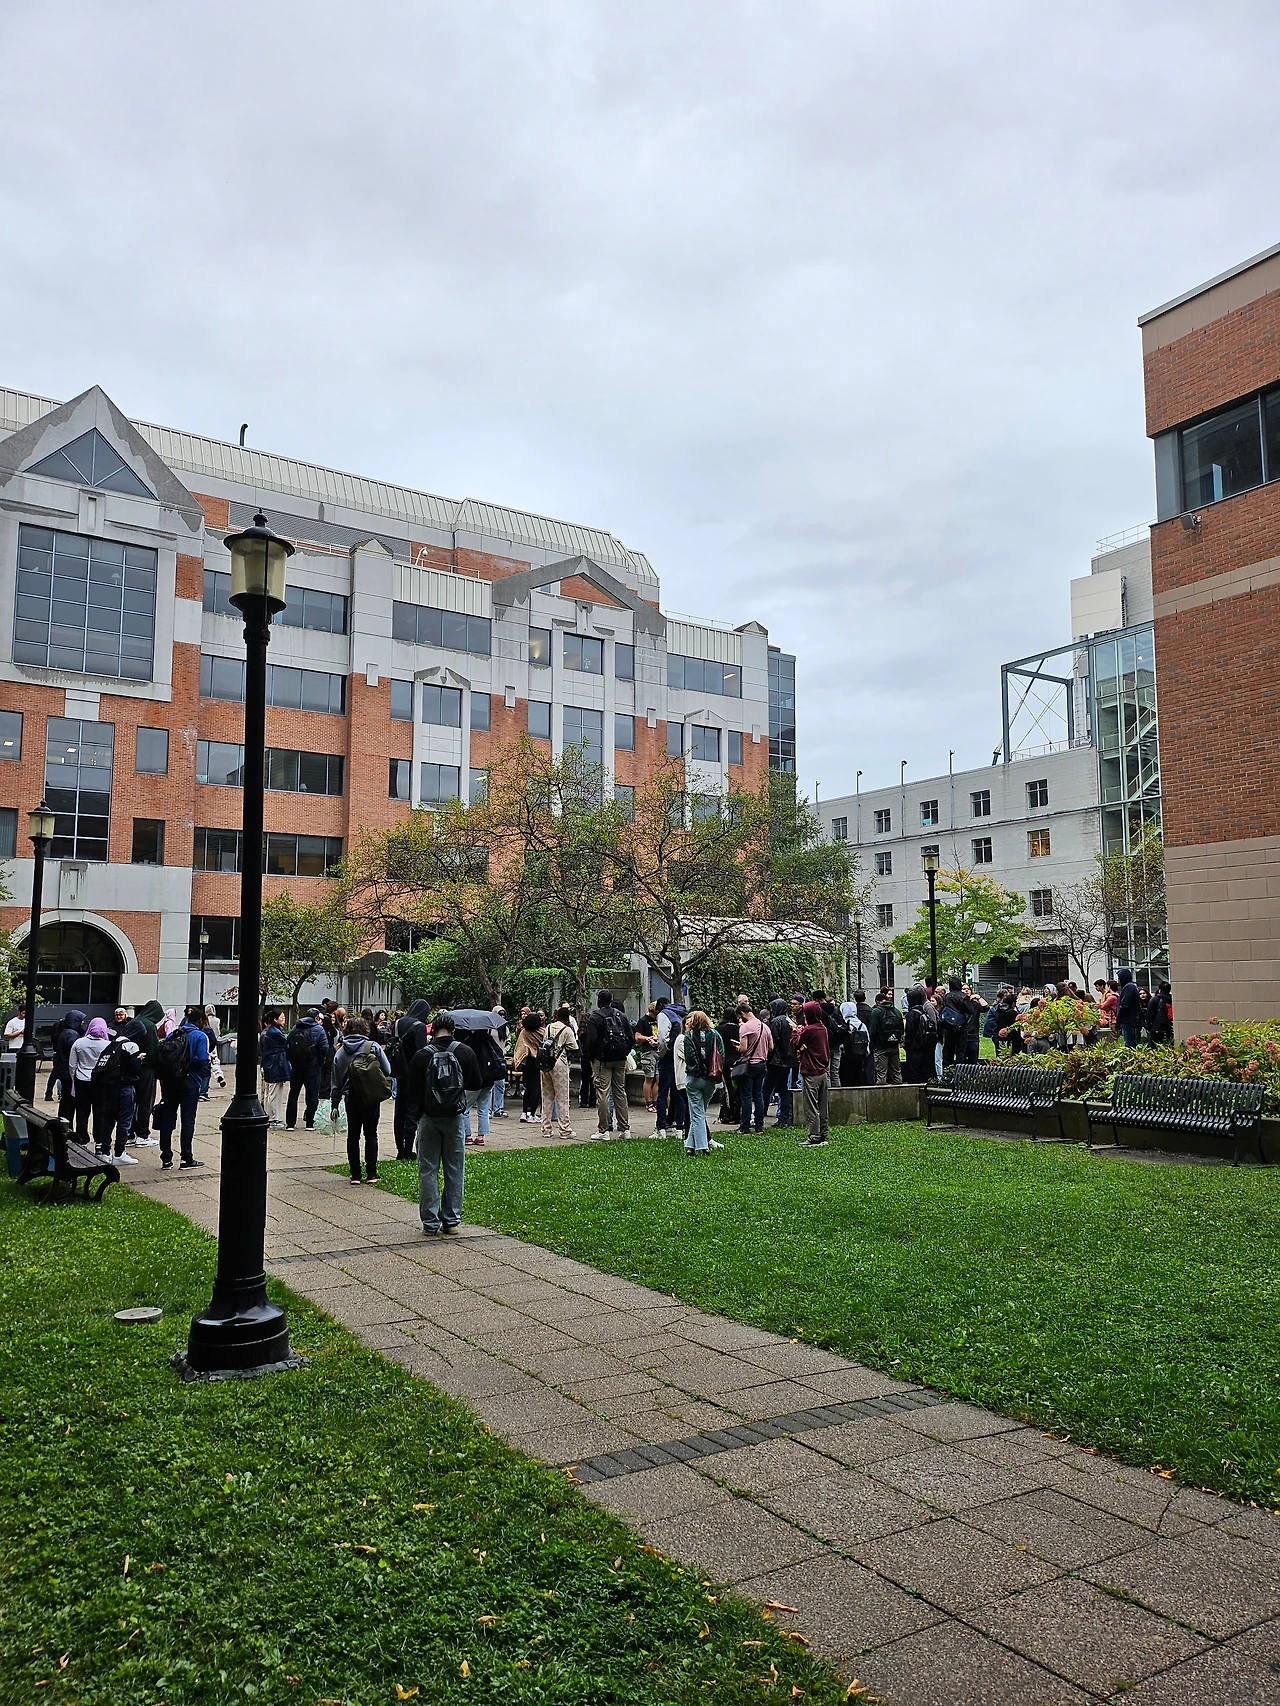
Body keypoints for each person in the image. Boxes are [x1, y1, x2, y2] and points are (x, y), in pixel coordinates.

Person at [407, 1012, 480, 1235]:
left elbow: (411, 1091)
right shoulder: (465, 1052)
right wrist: (461, 1103)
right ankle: (451, 1220)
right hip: (455, 1118)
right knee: (454, 1168)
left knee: (427, 1169)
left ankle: (430, 1222)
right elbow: (476, 1083)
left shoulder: (422, 1055)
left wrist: (416, 1117)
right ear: (453, 1030)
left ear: (433, 1030)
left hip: (428, 1117)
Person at [332, 1015, 393, 1182]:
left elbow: (335, 1082)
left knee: (353, 1135)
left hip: (350, 1098)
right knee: (371, 1134)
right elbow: (388, 1069)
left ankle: (355, 1174)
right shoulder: (373, 1047)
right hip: (370, 1096)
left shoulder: (340, 1052)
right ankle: (371, 1173)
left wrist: (335, 1104)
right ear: (365, 1030)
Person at [153, 1009, 212, 1169]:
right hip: (190, 1080)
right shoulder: (200, 1036)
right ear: (200, 1021)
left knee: (168, 1116)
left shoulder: (174, 1034)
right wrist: (207, 1060)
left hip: (170, 1080)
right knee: (188, 1119)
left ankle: (166, 1158)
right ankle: (186, 1157)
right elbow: (201, 1059)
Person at [580, 989, 635, 1139]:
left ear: (599, 1001)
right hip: (620, 1059)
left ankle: (603, 1130)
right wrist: (624, 1052)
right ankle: (625, 1129)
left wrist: (594, 1057)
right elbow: (631, 1037)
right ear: (611, 1000)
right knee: (620, 1092)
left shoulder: (595, 1017)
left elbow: (591, 1041)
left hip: (602, 1060)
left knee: (603, 1094)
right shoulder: (621, 1016)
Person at [93, 1020, 146, 1165]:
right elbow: (134, 1068)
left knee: (108, 1120)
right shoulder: (131, 1045)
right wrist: (139, 1059)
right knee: (124, 1121)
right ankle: (119, 1153)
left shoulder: (112, 1044)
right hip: (124, 1088)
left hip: (109, 1087)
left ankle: (105, 1152)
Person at [389, 999, 432, 1158]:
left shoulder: (398, 1023)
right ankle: (408, 1149)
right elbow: (421, 1052)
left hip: (399, 1070)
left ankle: (400, 1147)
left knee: (400, 1111)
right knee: (412, 1111)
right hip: (414, 1073)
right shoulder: (419, 1026)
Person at [682, 1010, 723, 1155]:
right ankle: (690, 1146)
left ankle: (702, 1147)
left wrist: (698, 1071)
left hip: (694, 1079)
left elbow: (690, 1058)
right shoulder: (715, 1035)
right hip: (710, 1079)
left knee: (697, 1113)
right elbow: (721, 1055)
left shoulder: (689, 1036)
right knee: (699, 1112)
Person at [285, 1007, 330, 1129]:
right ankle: (310, 1122)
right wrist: (320, 1061)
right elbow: (324, 1048)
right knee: (312, 1095)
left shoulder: (296, 1027)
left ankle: (290, 1123)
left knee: (293, 1093)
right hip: (313, 1066)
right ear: (316, 1018)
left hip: (296, 1066)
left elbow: (288, 1044)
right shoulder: (319, 1029)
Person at [69, 1016, 112, 1144]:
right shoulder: (107, 1045)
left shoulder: (79, 1043)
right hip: (100, 1081)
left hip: (82, 1079)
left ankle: (82, 1137)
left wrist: (74, 1078)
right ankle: (99, 1139)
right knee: (99, 1111)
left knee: (82, 1111)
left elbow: (72, 1064)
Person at [794, 1000, 830, 1146]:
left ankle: (814, 1135)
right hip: (822, 1072)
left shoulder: (809, 1030)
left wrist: (795, 1031)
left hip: (810, 1072)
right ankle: (824, 1134)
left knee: (811, 1106)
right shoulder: (823, 1028)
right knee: (823, 1105)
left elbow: (797, 1043)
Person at [539, 1004, 578, 1140]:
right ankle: (564, 1129)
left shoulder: (548, 1027)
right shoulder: (567, 1030)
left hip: (546, 1063)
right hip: (559, 1063)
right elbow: (574, 1047)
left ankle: (546, 1129)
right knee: (562, 1098)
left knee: (547, 1097)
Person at [734, 997, 772, 1134]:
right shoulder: (765, 1027)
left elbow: (743, 1049)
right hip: (762, 1064)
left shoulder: (745, 1027)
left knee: (746, 1097)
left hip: (749, 1065)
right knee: (758, 1096)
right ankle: (759, 1126)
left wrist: (737, 1047)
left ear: (743, 1013)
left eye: (740, 1016)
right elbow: (771, 1047)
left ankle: (745, 1127)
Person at [129, 1000, 166, 1143]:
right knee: (145, 1101)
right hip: (146, 1068)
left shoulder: (133, 1022)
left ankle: (129, 1134)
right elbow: (152, 1051)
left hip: (130, 1067)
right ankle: (142, 1134)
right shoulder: (150, 1026)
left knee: (131, 1101)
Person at [50, 1010, 86, 1123]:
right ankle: (66, 1124)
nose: (82, 1023)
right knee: (69, 1101)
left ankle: (63, 1122)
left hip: (63, 1070)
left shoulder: (66, 1032)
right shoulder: (72, 1034)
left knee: (65, 1100)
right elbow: (75, 1052)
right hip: (68, 1072)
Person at [765, 998, 796, 1125]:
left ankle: (760, 1116)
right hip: (787, 1060)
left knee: (766, 1089)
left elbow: (773, 1041)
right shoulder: (789, 1021)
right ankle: (784, 1118)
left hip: (775, 1061)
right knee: (783, 1090)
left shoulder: (775, 1022)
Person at [866, 991, 905, 1084]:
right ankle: (899, 1090)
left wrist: (873, 1045)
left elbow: (872, 1031)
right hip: (894, 1046)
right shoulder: (896, 1011)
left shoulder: (876, 1012)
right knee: (896, 1073)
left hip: (880, 1047)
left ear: (877, 1002)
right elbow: (901, 1029)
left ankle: (882, 1092)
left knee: (881, 1074)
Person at [512, 1012, 544, 1123]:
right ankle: (532, 1113)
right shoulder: (542, 1032)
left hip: (527, 1062)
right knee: (537, 1088)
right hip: (538, 1061)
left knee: (528, 1088)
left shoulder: (524, 1033)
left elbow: (519, 1047)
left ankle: (524, 1112)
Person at [260, 1011, 290, 1127]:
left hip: (275, 1064)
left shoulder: (274, 1031)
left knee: (276, 1092)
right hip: (275, 1065)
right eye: (281, 1017)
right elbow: (287, 1041)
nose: (284, 1019)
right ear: (275, 1019)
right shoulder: (275, 1032)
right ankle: (272, 1118)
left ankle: (276, 1117)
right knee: (273, 1093)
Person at [903, 986, 938, 1083]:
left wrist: (906, 1045)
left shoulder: (911, 1014)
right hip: (925, 1046)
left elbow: (909, 1032)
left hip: (914, 1048)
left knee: (914, 1074)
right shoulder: (924, 1011)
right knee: (925, 1073)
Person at [716, 1004, 741, 1125]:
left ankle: (729, 1111)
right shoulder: (738, 1028)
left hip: (725, 1061)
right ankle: (738, 1111)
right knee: (738, 1087)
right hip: (737, 1060)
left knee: (728, 1087)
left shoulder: (719, 1029)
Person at [633, 1005, 659, 1113]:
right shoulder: (643, 1020)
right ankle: (649, 1103)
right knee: (649, 1078)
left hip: (658, 1051)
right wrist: (648, 1038)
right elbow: (637, 1037)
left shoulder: (659, 1019)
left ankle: (655, 1101)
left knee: (659, 1078)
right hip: (648, 1052)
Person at [1116, 968, 1141, 1048]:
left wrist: (1118, 1016)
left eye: (1119, 978)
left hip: (1128, 1020)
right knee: (1131, 1042)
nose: (1118, 981)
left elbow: (1124, 1004)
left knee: (1129, 1043)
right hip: (1131, 1019)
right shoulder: (1131, 987)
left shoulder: (1128, 988)